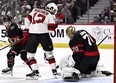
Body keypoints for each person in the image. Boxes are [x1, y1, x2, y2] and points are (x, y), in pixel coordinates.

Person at [24, 2, 58, 79]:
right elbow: (51, 29)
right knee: (49, 53)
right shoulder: (50, 15)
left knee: (30, 55)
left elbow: (26, 19)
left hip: (33, 34)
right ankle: (54, 71)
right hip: (44, 35)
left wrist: (27, 30)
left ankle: (35, 72)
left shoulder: (34, 10)